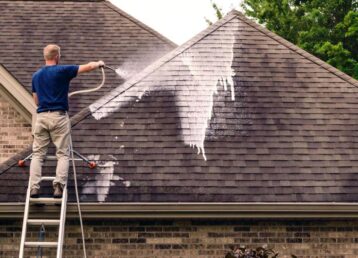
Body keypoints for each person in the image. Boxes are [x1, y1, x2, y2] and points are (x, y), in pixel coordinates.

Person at [29, 44, 104, 198]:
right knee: (63, 154)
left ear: (45, 57)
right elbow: (88, 67)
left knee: (37, 155)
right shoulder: (62, 70)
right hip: (59, 117)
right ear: (57, 56)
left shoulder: (36, 76)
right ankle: (58, 188)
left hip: (41, 118)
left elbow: (36, 100)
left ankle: (34, 188)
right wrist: (99, 64)